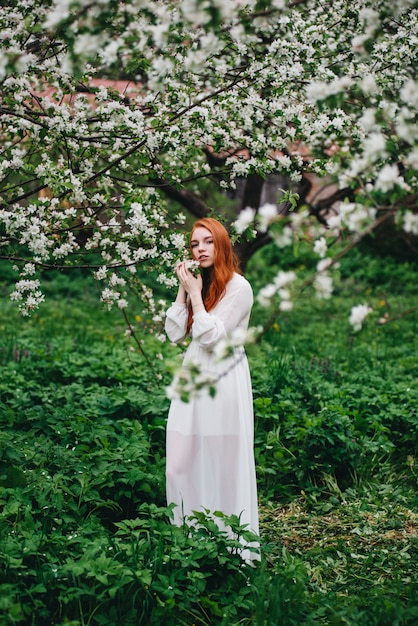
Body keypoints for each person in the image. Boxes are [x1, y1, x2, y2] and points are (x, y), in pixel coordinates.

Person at [164, 217, 259, 559]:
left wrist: (194, 294)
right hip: (193, 376)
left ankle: (229, 549)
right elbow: (175, 333)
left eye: (207, 242)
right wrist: (184, 289)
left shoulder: (239, 288)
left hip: (222, 377)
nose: (200, 249)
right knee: (180, 458)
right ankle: (188, 539)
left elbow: (212, 338)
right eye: (194, 244)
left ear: (222, 246)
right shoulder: (200, 283)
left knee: (221, 460)